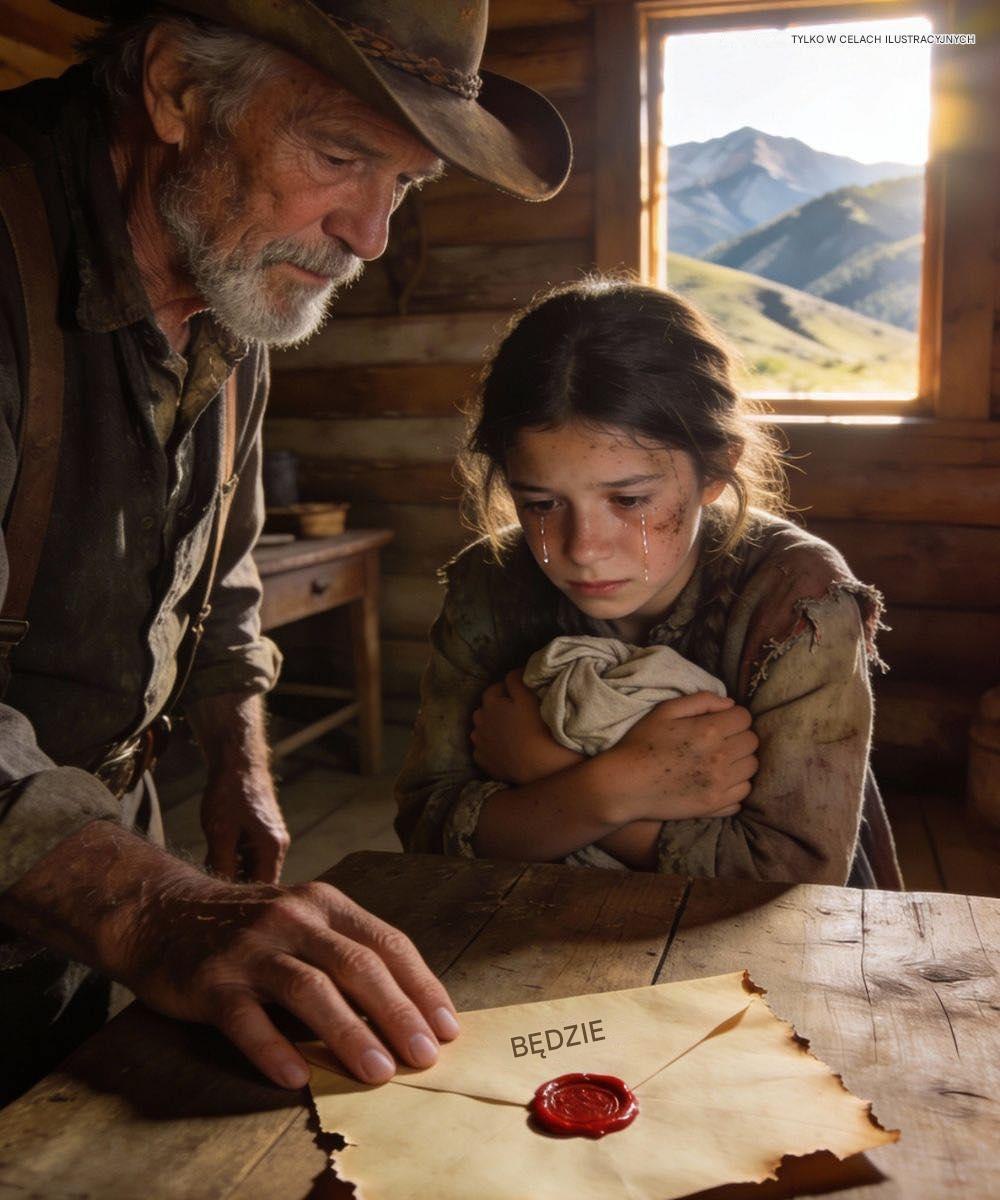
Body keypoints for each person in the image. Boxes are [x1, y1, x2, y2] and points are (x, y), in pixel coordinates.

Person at [0, 0, 572, 1104]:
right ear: (175, 89)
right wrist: (157, 905)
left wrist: (239, 756)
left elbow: (221, 568)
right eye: (340, 154)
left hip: (75, 895)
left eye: (401, 183)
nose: (367, 234)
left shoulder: (227, 275)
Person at [395, 278, 903, 888]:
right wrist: (611, 792)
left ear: (715, 471)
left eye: (630, 499)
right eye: (540, 504)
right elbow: (427, 827)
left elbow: (785, 874)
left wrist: (548, 771)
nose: (582, 549)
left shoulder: (797, 598)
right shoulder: (490, 582)